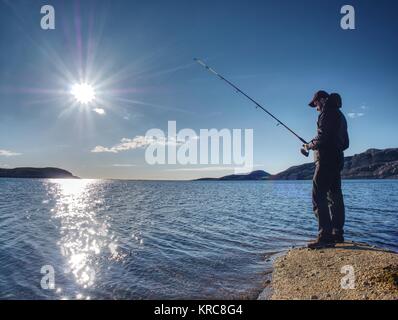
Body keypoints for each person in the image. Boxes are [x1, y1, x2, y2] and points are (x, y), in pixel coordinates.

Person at [303, 90, 349, 249]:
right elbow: (346, 143)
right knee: (335, 197)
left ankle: (325, 237)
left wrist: (308, 146)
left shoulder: (327, 113)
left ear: (322, 100)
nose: (315, 107)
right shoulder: (340, 115)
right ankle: (337, 234)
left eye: (315, 103)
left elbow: (322, 137)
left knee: (318, 196)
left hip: (326, 161)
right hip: (337, 161)